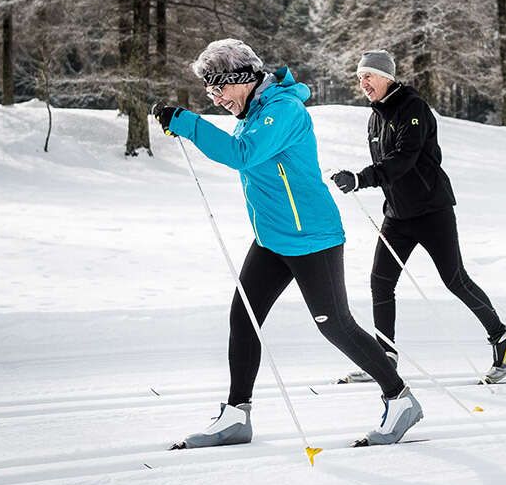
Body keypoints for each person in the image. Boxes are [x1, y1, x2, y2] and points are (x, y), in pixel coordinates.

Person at [153, 39, 422, 449]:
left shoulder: (283, 111)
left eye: (219, 88)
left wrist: (188, 123)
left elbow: (243, 154)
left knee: (336, 326)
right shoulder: (255, 111)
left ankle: (400, 399)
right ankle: (235, 416)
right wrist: (187, 123)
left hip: (313, 237)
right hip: (273, 239)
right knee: (243, 317)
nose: (217, 98)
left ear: (242, 79)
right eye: (210, 91)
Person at [330, 49, 506, 385]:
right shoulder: (375, 116)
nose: (363, 83)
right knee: (380, 282)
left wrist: (362, 178)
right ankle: (384, 355)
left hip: (432, 211)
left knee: (455, 279)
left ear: (387, 76)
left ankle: (503, 338)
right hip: (398, 215)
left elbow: (404, 159)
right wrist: (368, 180)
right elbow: (389, 166)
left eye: (369, 76)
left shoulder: (412, 107)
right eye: (360, 77)